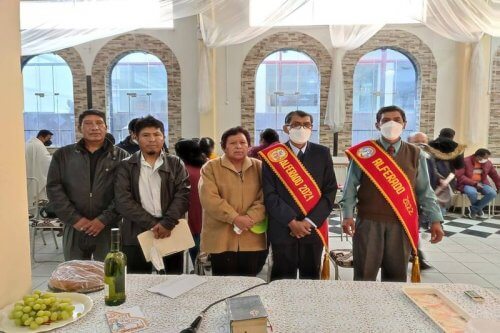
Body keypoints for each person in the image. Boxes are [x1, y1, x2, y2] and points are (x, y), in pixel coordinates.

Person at [342, 105, 444, 282]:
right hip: (368, 221)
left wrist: (436, 219)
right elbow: (350, 186)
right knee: (364, 275)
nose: (391, 124)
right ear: (377, 125)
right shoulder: (365, 152)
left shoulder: (415, 154)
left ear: (404, 124)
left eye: (397, 120)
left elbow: (424, 191)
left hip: (401, 222)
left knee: (396, 278)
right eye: (385, 120)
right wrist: (348, 215)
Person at [262, 110, 337, 281]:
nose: (301, 128)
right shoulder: (272, 155)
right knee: (282, 278)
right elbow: (269, 194)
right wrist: (291, 221)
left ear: (312, 128)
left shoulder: (322, 153)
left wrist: (308, 222)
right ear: (286, 128)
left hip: (312, 228)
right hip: (283, 228)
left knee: (310, 278)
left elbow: (330, 191)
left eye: (306, 125)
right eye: (296, 124)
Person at [47, 110, 129, 261]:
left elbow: (125, 193)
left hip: (108, 226)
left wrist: (103, 219)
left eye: (99, 123)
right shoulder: (63, 155)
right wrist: (75, 219)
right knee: (75, 274)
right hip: (75, 225)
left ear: (106, 127)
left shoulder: (121, 156)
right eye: (88, 123)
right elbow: (54, 189)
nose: (94, 127)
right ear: (79, 128)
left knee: (108, 272)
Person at [115, 116, 190, 274]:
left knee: (173, 280)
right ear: (136, 137)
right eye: (146, 135)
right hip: (136, 233)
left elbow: (183, 195)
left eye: (157, 134)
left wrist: (167, 223)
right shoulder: (126, 165)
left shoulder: (176, 163)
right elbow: (123, 200)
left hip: (171, 231)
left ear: (163, 137)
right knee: (139, 282)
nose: (152, 139)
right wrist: (153, 224)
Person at [199, 126, 267, 276]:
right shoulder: (210, 168)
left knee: (249, 282)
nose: (238, 146)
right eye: (233, 143)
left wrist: (250, 218)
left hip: (251, 235)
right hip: (221, 237)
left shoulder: (259, 167)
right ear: (224, 147)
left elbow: (265, 197)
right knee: (224, 284)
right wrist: (235, 218)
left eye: (242, 142)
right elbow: (209, 199)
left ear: (249, 146)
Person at [174, 139, 207, 265]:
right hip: (205, 215)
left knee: (193, 249)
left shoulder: (183, 171)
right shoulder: (207, 166)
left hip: (189, 215)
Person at [456, 149, 500, 219]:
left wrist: (499, 187)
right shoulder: (465, 161)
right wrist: (474, 183)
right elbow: (460, 176)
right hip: (467, 183)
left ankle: (474, 209)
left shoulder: (488, 163)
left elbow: (495, 176)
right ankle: (478, 209)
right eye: (485, 158)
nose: (487, 159)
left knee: (492, 193)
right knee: (472, 192)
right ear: (478, 156)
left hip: (482, 183)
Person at [25, 129, 53, 208]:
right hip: (36, 176)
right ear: (41, 136)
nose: (49, 140)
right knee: (38, 196)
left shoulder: (28, 143)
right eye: (48, 138)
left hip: (29, 174)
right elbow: (47, 161)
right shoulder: (39, 145)